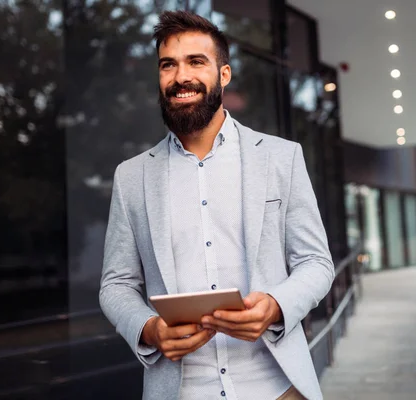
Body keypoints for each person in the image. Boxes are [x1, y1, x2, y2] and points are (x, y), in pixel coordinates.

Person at [99, 10, 334, 400]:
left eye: (196, 61)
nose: (181, 77)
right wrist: (149, 329)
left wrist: (276, 305)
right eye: (168, 65)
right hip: (181, 391)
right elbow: (116, 285)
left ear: (223, 74)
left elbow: (316, 262)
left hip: (277, 387)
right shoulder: (131, 176)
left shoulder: (281, 157)